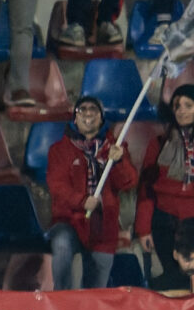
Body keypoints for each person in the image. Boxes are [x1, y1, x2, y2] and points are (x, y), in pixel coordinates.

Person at [134, 82, 194, 288]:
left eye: (188, 105)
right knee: (173, 281)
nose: (181, 111)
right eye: (177, 106)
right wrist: (143, 229)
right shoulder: (159, 144)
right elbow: (146, 189)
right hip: (168, 222)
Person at [46, 95, 137, 290]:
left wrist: (119, 162)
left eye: (93, 110)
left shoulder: (115, 148)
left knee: (96, 287)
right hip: (69, 220)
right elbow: (57, 186)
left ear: (101, 117)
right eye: (83, 110)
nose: (88, 114)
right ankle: (61, 298)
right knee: (61, 244)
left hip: (103, 225)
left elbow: (128, 182)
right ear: (75, 118)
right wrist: (81, 201)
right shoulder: (59, 150)